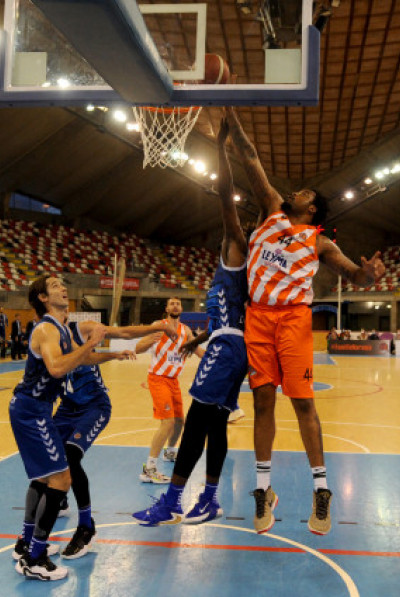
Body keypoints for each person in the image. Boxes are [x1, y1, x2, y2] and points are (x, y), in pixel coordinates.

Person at [226, 106, 385, 535]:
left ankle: (322, 489)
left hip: (293, 321)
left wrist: (366, 274)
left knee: (302, 403)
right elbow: (251, 157)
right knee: (261, 401)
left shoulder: (319, 244)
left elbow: (352, 273)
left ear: (313, 208)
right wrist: (230, 113)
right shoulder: (271, 211)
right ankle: (263, 490)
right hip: (257, 317)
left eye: (303, 192)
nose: (294, 192)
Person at [132, 118, 249, 527]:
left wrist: (220, 149)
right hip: (227, 344)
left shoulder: (236, 255)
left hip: (229, 348)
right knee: (213, 426)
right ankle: (208, 498)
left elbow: (226, 201)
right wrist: (197, 336)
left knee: (197, 424)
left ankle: (173, 501)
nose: (224, 233)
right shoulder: (226, 278)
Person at [8, 274, 106, 581]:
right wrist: (91, 342)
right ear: (43, 298)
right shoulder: (48, 328)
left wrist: (111, 352)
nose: (63, 288)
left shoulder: (60, 328)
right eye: (54, 286)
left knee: (48, 478)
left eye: (64, 284)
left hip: (35, 409)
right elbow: (58, 367)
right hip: (32, 412)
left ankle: (28, 546)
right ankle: (34, 557)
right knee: (61, 479)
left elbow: (78, 360)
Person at [54, 317, 172, 557]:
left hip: (94, 405)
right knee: (52, 457)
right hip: (66, 408)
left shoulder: (80, 328)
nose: (64, 295)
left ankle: (86, 527)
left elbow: (125, 332)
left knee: (71, 455)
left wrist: (156, 326)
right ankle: (61, 499)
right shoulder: (46, 336)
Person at [134, 297, 204, 484]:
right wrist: (151, 339)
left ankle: (170, 452)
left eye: (178, 303)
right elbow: (138, 348)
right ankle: (149, 468)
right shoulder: (159, 325)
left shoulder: (186, 331)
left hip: (173, 381)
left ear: (182, 308)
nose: (175, 305)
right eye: (171, 303)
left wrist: (219, 361)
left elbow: (198, 351)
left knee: (180, 421)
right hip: (158, 378)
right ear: (166, 308)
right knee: (168, 422)